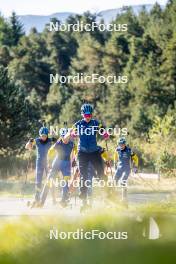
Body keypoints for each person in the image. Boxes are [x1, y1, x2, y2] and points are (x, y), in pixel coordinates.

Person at [63, 103, 109, 211]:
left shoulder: (96, 123)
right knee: (83, 175)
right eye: (86, 115)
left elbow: (103, 131)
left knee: (101, 173)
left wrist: (105, 134)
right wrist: (70, 134)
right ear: (82, 114)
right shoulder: (78, 124)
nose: (88, 117)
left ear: (92, 114)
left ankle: (107, 193)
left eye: (89, 115)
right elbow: (66, 138)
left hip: (94, 152)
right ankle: (83, 196)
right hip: (82, 153)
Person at [40, 128, 75, 208]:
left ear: (69, 136)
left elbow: (76, 151)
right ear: (61, 137)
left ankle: (63, 201)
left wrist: (74, 159)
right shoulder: (58, 144)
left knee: (65, 182)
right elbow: (50, 152)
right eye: (63, 137)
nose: (65, 139)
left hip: (66, 164)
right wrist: (49, 162)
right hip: (57, 163)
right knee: (49, 181)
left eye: (66, 137)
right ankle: (41, 201)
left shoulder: (72, 144)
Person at [25, 126, 56, 207]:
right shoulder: (37, 140)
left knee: (50, 180)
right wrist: (29, 142)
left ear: (47, 135)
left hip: (48, 162)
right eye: (42, 136)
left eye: (45, 136)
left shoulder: (50, 140)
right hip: (39, 162)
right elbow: (27, 147)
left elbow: (57, 141)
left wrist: (54, 135)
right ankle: (37, 198)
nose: (43, 137)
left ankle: (54, 199)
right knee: (38, 181)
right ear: (40, 135)